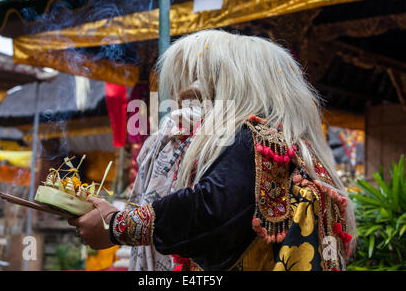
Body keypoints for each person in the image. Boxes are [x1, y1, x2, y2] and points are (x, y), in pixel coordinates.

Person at [69, 30, 356, 271]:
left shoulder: (253, 140)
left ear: (237, 85)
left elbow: (210, 209)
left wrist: (118, 225)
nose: (188, 93)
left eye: (204, 82)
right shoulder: (289, 147)